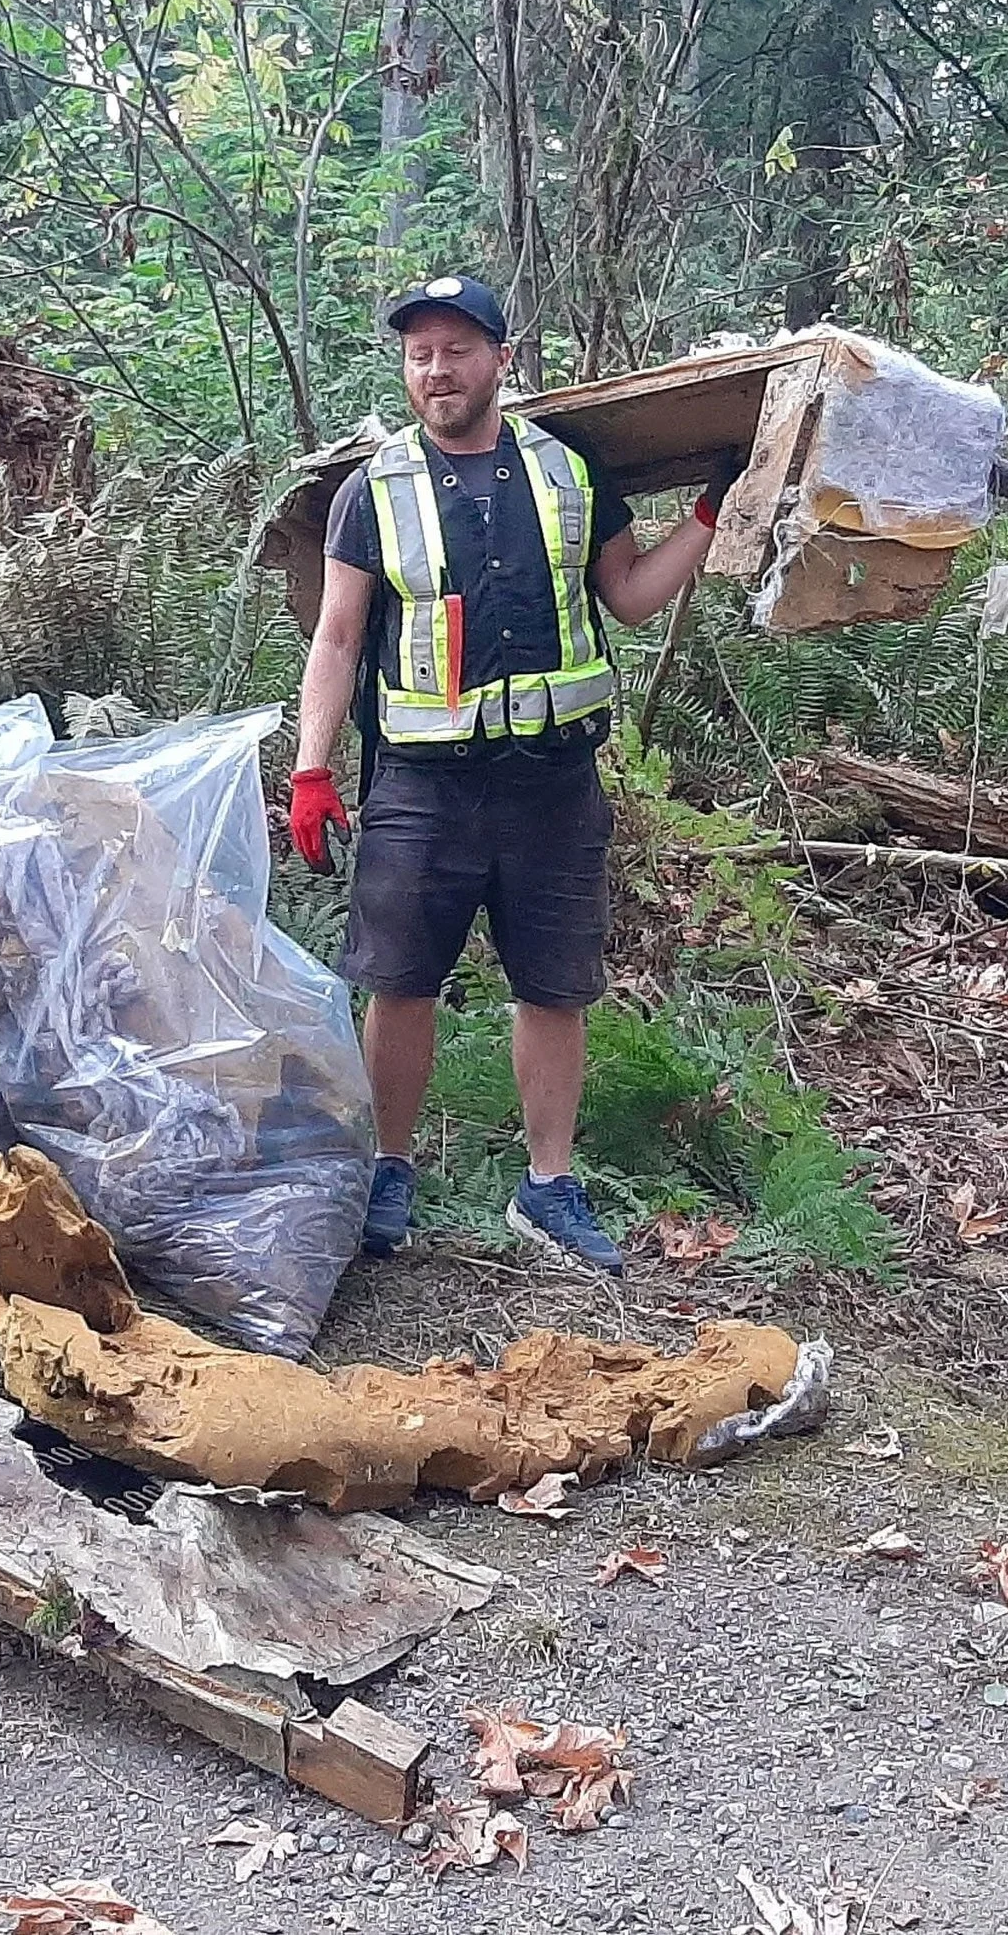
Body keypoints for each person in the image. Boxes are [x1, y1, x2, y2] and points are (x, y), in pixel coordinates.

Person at [287, 275, 732, 1270]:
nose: (435, 371)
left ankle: (547, 1187)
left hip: (553, 785)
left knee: (553, 987)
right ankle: (385, 1172)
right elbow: (338, 635)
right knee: (398, 984)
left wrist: (708, 515)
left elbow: (629, 597)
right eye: (418, 355)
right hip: (421, 787)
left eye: (455, 350)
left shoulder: (568, 471)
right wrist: (311, 768)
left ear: (501, 357)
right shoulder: (374, 489)